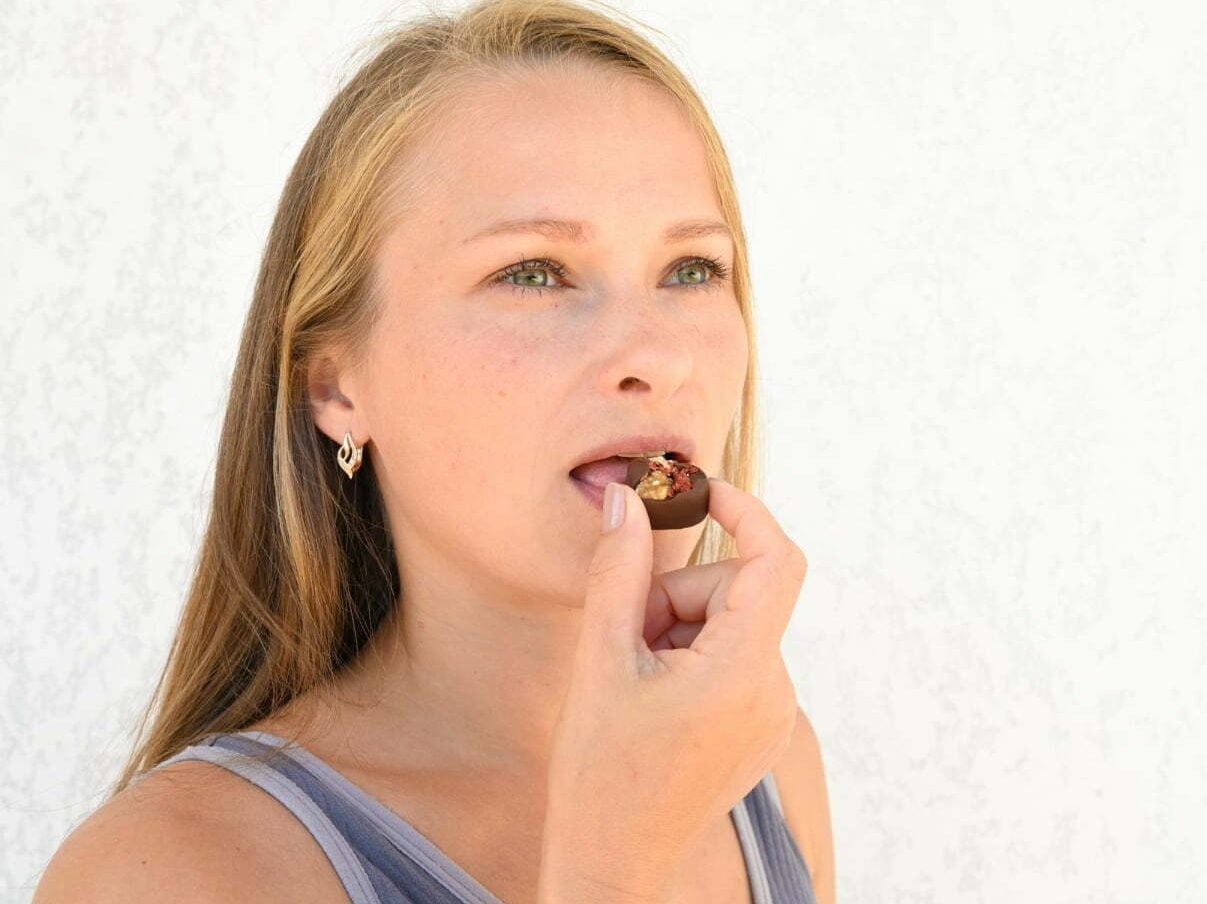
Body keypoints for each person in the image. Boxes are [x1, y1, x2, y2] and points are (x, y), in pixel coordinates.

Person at [32, 1, 834, 901]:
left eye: (693, 270)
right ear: (337, 387)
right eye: (533, 272)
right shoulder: (172, 874)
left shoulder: (764, 765)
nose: (658, 355)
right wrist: (618, 857)